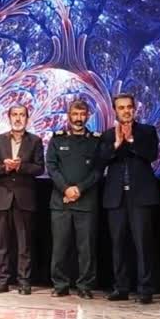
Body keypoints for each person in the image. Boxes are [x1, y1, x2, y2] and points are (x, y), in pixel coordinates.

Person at [98, 93, 160, 304]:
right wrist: (116, 144)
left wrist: (131, 140)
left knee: (142, 244)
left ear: (135, 109)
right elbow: (100, 161)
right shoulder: (108, 135)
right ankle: (121, 287)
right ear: (115, 111)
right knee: (118, 244)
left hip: (140, 196)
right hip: (116, 197)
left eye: (129, 107)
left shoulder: (147, 131)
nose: (126, 111)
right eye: (121, 107)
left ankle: (145, 289)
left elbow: (152, 155)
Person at [0, 104, 44, 296]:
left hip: (24, 198)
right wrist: (5, 167)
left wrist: (20, 167)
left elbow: (40, 168)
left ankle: (24, 282)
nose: (18, 118)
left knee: (24, 245)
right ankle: (1, 281)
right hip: (2, 198)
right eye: (15, 115)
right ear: (9, 118)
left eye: (22, 115)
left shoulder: (35, 141)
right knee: (1, 244)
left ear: (27, 118)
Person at [46, 99, 101, 300]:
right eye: (75, 114)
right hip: (61, 202)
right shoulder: (57, 139)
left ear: (88, 116)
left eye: (82, 114)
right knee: (60, 247)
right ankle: (60, 285)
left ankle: (85, 286)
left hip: (86, 202)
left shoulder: (95, 140)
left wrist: (79, 189)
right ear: (68, 115)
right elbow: (51, 167)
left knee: (86, 249)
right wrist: (66, 189)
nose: (79, 118)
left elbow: (98, 170)